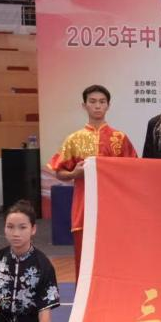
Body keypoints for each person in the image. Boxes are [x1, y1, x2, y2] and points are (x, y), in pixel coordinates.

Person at [47, 85, 138, 279]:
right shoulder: (74, 139)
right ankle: (85, 296)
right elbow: (59, 172)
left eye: (102, 102)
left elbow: (133, 171)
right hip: (84, 206)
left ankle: (114, 293)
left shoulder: (120, 139)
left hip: (114, 208)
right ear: (84, 105)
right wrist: (74, 173)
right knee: (84, 257)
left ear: (108, 106)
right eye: (93, 102)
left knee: (115, 256)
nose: (97, 106)